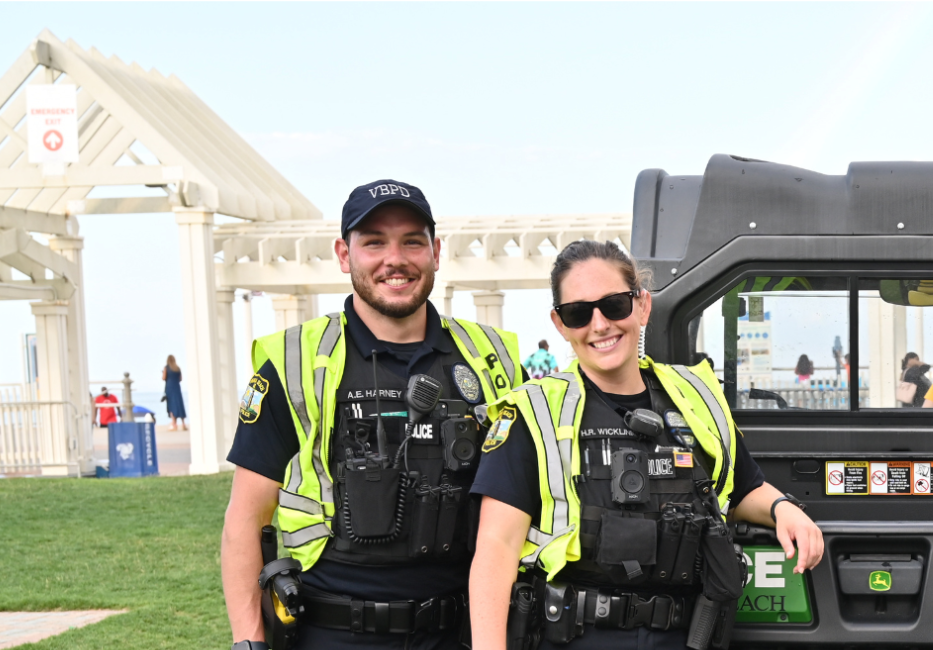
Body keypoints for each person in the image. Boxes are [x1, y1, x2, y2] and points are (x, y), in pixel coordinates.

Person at [467, 240, 825, 649]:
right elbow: (496, 550)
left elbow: (743, 488)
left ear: (642, 306)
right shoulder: (535, 412)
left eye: (614, 305)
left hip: (685, 636)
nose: (600, 325)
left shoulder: (696, 398)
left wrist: (783, 510)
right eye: (579, 313)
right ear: (560, 324)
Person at [219, 179, 524, 650]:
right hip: (334, 633)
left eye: (412, 242)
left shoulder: (493, 359)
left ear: (436, 252)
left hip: (460, 632)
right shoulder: (294, 362)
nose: (394, 259)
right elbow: (246, 517)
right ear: (344, 255)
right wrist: (249, 644)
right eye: (374, 242)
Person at [162, 355, 188, 431]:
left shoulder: (166, 368)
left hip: (169, 387)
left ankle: (174, 424)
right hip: (177, 387)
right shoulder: (177, 368)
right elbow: (180, 379)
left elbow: (164, 378)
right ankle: (183, 423)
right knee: (179, 404)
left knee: (171, 405)